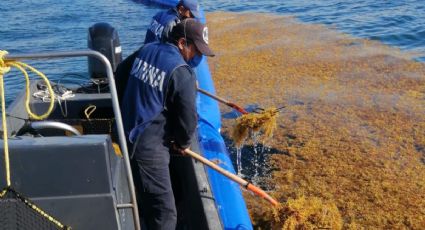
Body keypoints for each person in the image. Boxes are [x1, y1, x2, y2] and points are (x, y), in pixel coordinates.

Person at [121, 18, 215, 230]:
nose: (198, 56)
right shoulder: (182, 72)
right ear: (182, 43)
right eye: (197, 50)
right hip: (149, 147)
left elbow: (120, 75)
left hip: (128, 131)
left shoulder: (148, 49)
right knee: (165, 213)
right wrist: (182, 144)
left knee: (150, 197)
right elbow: (187, 118)